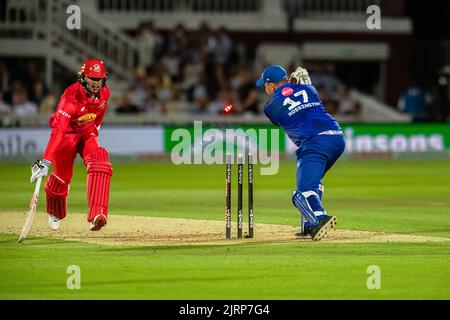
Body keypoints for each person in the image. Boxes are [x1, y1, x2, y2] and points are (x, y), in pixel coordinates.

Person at [256, 65, 345, 241]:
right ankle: (307, 226)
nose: (264, 89)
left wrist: (289, 88)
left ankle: (319, 218)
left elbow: (282, 112)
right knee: (313, 182)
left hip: (314, 143)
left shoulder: (270, 107)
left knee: (301, 193)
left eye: (265, 85)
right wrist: (296, 85)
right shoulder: (309, 89)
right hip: (337, 138)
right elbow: (303, 99)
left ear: (272, 86)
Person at [29, 59, 113, 232]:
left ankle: (97, 214)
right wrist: (46, 161)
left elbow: (99, 114)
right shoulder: (70, 98)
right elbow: (58, 131)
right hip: (67, 135)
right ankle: (55, 211)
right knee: (61, 180)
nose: (96, 83)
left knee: (100, 161)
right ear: (82, 77)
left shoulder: (105, 93)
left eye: (99, 79)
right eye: (91, 78)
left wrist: (94, 131)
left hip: (87, 132)